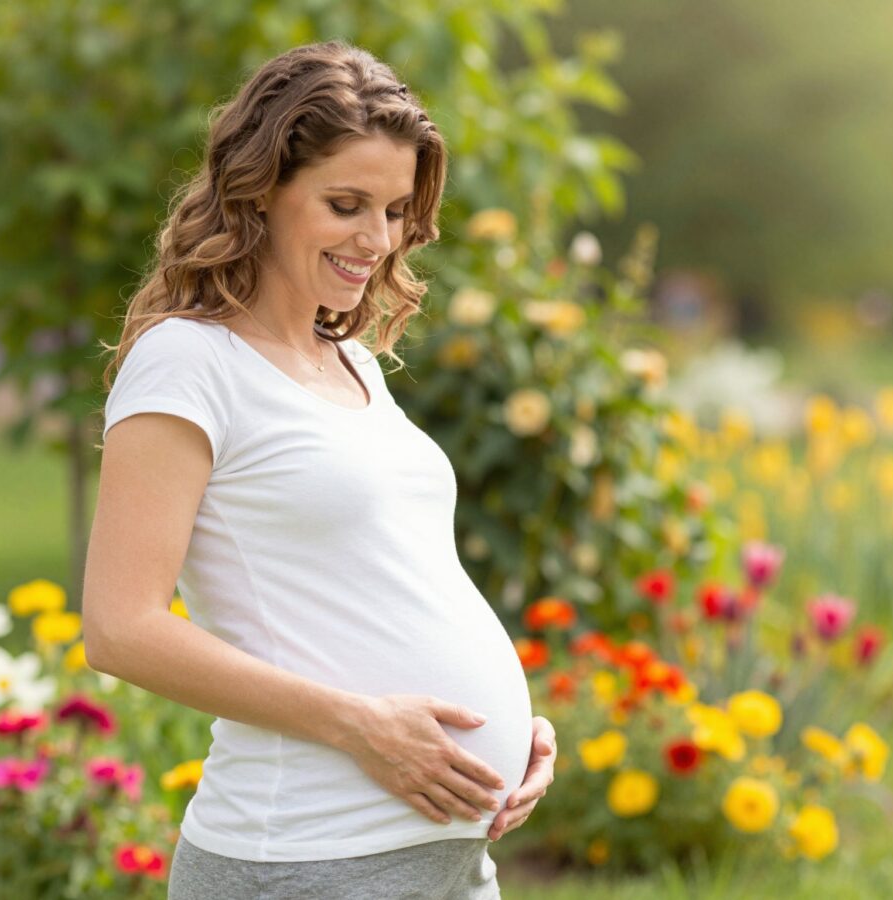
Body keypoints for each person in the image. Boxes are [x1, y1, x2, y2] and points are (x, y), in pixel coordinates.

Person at [82, 40, 556, 899]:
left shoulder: (354, 364)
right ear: (261, 191)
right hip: (303, 856)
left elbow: (379, 582)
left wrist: (511, 730)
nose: (378, 240)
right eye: (347, 204)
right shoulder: (190, 362)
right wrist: (362, 725)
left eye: (396, 211)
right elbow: (120, 627)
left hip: (448, 856)